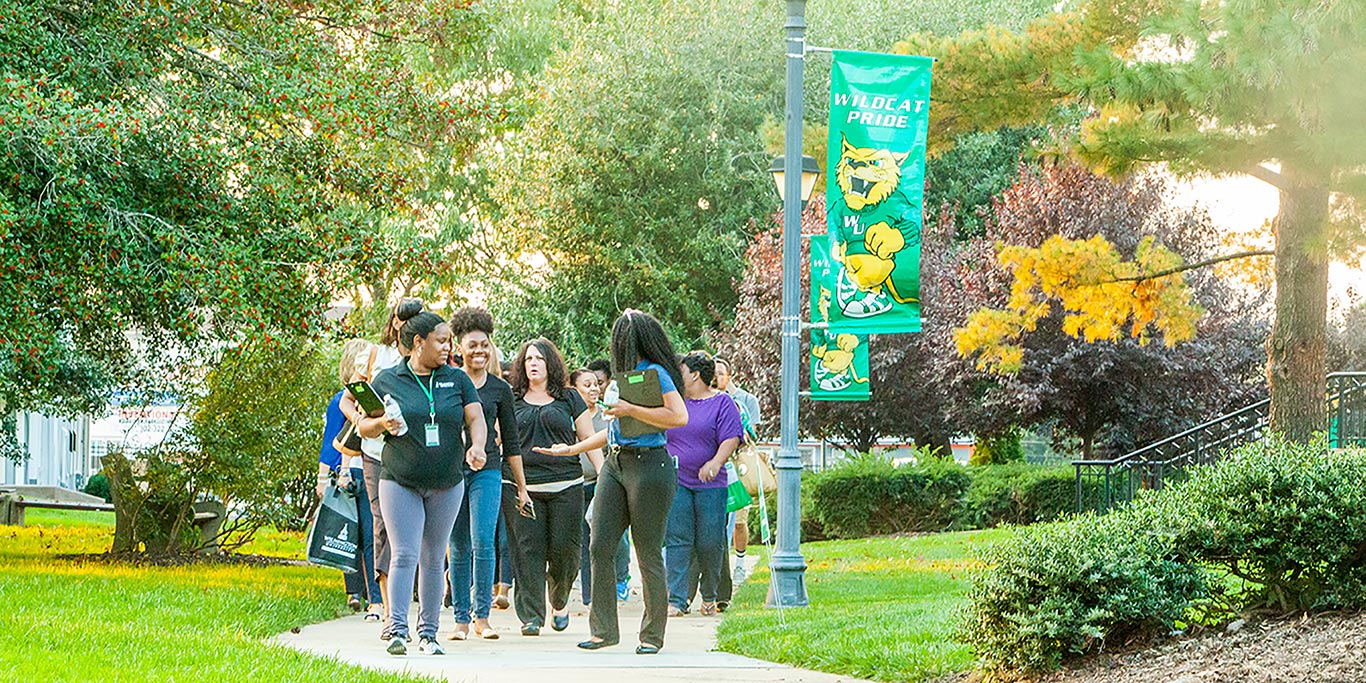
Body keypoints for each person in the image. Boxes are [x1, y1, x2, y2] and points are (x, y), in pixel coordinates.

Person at [536, 309, 688, 654]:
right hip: (616, 464)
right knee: (599, 543)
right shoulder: (623, 378)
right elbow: (614, 431)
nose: (617, 343)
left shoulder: (657, 373)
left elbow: (679, 416)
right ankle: (603, 630)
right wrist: (573, 447)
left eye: (622, 337)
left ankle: (652, 636)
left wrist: (630, 409)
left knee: (647, 550)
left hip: (650, 465)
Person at [358, 311, 487, 656]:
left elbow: (475, 417)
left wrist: (477, 446)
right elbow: (363, 428)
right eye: (442, 341)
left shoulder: (457, 379)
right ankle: (397, 629)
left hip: (447, 481)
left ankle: (429, 634)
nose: (449, 347)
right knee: (404, 553)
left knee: (433, 557)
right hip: (400, 480)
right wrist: (382, 422)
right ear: (418, 343)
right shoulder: (387, 380)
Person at [340, 297, 424, 639]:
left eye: (414, 320)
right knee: (382, 528)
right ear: (392, 322)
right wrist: (364, 421)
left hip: (417, 455)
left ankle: (407, 607)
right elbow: (348, 398)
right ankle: (389, 610)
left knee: (412, 532)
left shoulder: (429, 359)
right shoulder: (376, 356)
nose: (404, 325)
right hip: (377, 453)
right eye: (400, 318)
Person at [445, 307, 531, 641]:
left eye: (484, 345)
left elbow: (512, 443)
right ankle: (461, 620)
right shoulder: (448, 382)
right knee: (459, 544)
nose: (479, 351)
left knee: (483, 540)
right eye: (472, 345)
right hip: (452, 473)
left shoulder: (499, 389)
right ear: (458, 346)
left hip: (488, 472)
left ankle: (482, 617)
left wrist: (522, 487)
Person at [507, 339, 601, 636]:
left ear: (551, 363)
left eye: (539, 358)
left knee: (566, 552)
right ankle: (531, 616)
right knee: (527, 552)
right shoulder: (512, 399)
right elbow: (499, 440)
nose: (533, 363)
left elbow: (588, 439)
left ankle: (559, 600)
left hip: (566, 486)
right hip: (522, 487)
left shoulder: (570, 398)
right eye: (528, 359)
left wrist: (603, 475)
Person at [664, 352, 742, 617]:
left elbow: (731, 437)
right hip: (677, 481)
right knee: (677, 540)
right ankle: (676, 599)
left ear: (695, 375)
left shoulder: (722, 403)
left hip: (711, 484)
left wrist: (716, 462)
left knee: (710, 541)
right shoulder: (675, 402)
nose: (678, 376)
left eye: (682, 371)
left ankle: (709, 595)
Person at [318, 338, 383, 620]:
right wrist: (326, 476)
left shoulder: (368, 396)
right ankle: (363, 593)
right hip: (351, 468)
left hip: (355, 467)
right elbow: (332, 440)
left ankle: (361, 592)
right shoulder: (342, 401)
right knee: (356, 534)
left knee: (358, 534)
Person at [586, 358, 635, 602]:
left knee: (619, 532)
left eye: (600, 383)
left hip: (618, 474)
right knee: (596, 530)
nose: (596, 388)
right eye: (590, 384)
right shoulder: (581, 412)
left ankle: (621, 577)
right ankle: (597, 587)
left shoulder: (617, 404)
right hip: (593, 478)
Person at [713, 355, 760, 586]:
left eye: (720, 373)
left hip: (737, 467)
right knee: (717, 523)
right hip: (713, 468)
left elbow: (753, 435)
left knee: (739, 520)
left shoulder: (744, 400)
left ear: (729, 376)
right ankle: (719, 570)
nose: (716, 377)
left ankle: (739, 563)